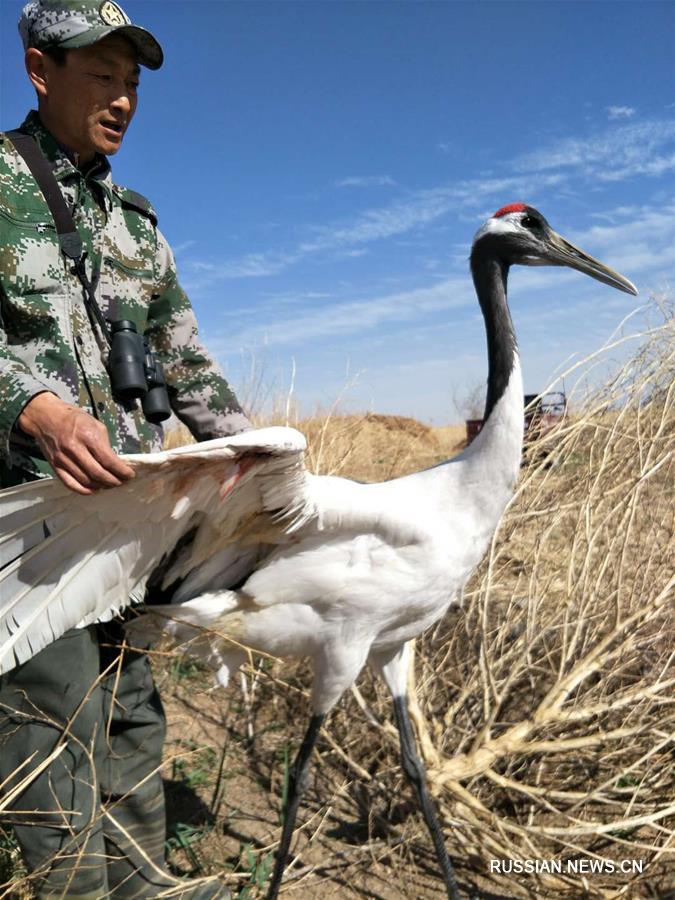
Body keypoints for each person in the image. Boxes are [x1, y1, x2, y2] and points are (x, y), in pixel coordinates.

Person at [0, 1, 249, 896]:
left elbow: (190, 368)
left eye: (131, 84)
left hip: (138, 520)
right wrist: (38, 413)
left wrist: (261, 462)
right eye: (99, 77)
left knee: (135, 712)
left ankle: (144, 887)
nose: (121, 101)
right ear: (40, 71)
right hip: (32, 522)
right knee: (54, 718)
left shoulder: (140, 226)